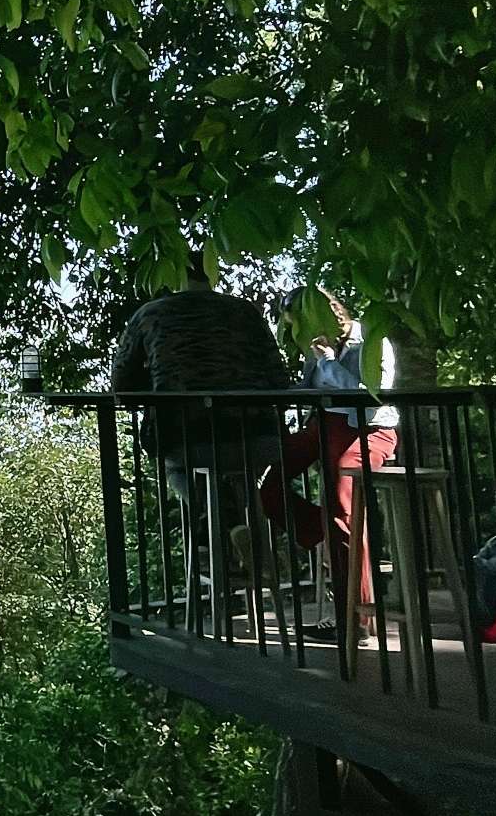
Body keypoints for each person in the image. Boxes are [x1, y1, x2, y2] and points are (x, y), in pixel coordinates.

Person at [256, 286, 399, 627]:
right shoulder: (317, 347)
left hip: (369, 429)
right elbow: (309, 391)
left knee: (343, 499)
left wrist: (327, 359)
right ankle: (321, 531)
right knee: (266, 482)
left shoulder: (371, 339)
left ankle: (354, 617)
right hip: (324, 426)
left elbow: (368, 395)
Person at [110, 256, 291, 500]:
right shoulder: (246, 312)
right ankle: (247, 521)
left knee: (176, 469)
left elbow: (122, 382)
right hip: (257, 431)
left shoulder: (150, 314)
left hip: (184, 435)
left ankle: (215, 514)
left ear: (176, 272)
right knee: (252, 479)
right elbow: (279, 378)